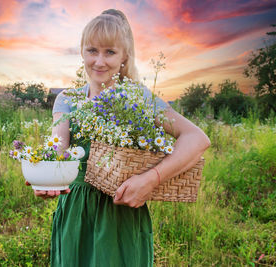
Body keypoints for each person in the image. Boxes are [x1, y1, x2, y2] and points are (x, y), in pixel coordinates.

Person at [29, 9, 211, 266]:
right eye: (92, 50)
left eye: (110, 52)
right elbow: (60, 151)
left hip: (122, 210)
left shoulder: (138, 99)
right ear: (82, 52)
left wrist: (151, 179)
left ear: (124, 56)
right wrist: (46, 177)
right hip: (77, 214)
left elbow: (197, 138)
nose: (99, 61)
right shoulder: (67, 100)